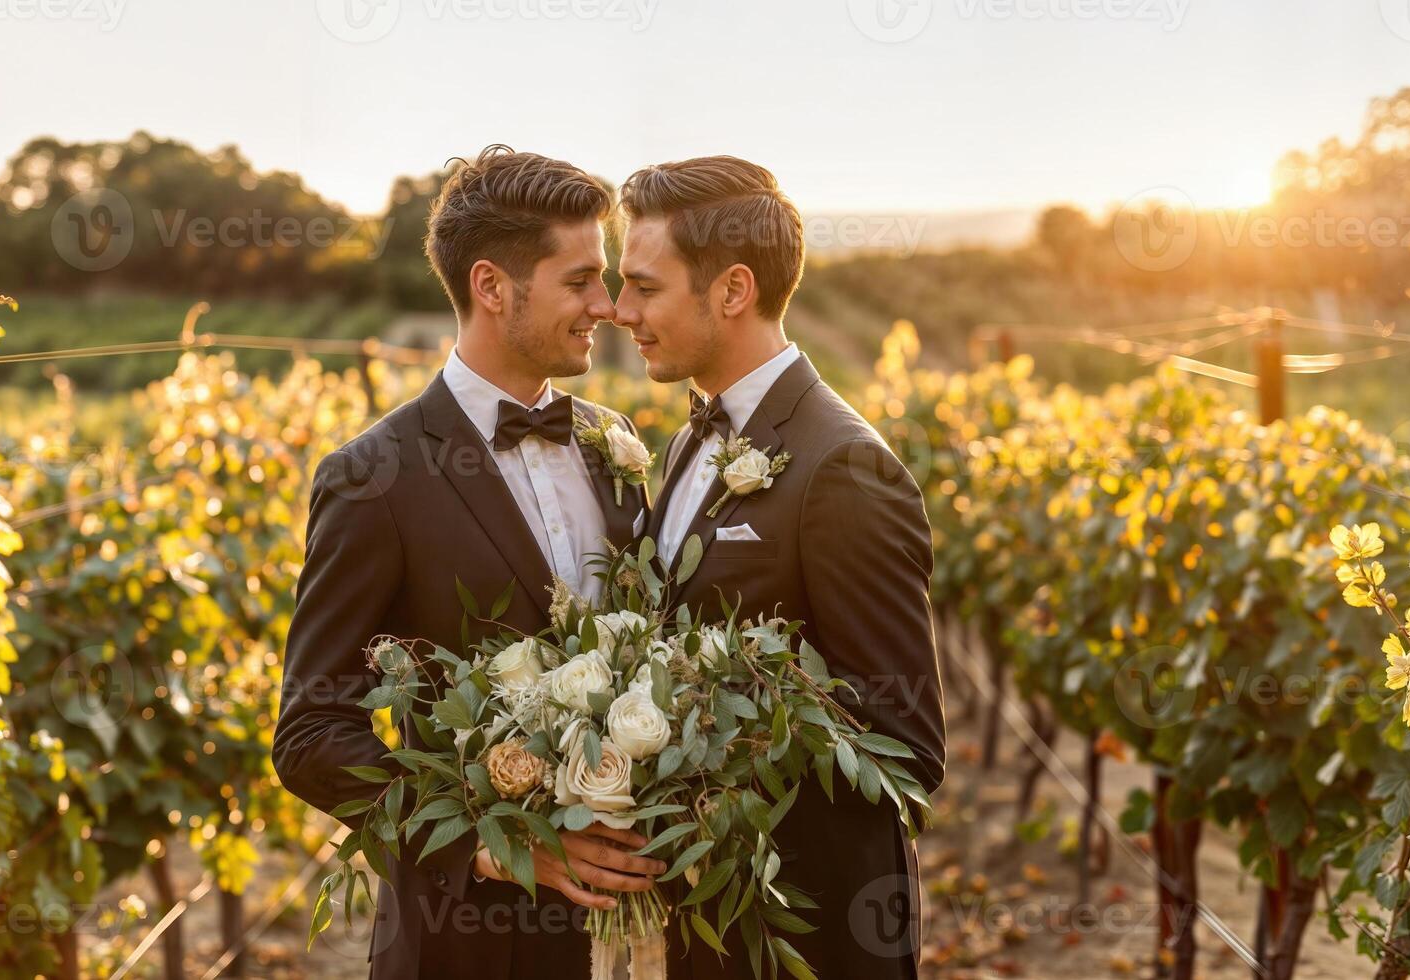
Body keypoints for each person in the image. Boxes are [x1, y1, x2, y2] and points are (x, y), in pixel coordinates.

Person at [274, 146, 662, 979]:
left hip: (642, 927)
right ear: (492, 286)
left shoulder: (613, 445)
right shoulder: (371, 478)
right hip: (466, 943)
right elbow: (310, 734)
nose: (610, 305)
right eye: (581, 280)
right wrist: (493, 844)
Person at [613, 155, 947, 978]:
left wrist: (712, 756)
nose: (620, 311)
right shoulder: (691, 437)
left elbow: (906, 747)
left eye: (644, 287)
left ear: (731, 291)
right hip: (715, 920)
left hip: (815, 930)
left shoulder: (843, 468)